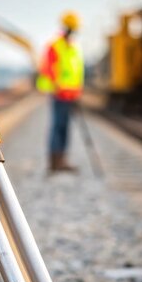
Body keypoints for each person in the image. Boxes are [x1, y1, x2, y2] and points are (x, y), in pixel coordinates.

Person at [36, 11, 84, 172]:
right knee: (58, 126)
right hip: (60, 94)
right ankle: (55, 162)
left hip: (71, 95)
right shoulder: (56, 45)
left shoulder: (73, 46)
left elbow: (76, 72)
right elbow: (48, 69)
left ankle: (61, 160)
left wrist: (77, 92)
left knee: (64, 127)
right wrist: (57, 86)